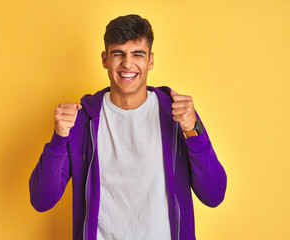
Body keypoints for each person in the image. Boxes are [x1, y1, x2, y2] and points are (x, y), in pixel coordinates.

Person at [29, 14, 227, 240]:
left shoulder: (176, 114)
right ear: (105, 59)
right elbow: (41, 200)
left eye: (137, 54)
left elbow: (214, 195)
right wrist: (59, 138)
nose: (127, 63)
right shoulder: (81, 120)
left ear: (150, 60)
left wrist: (194, 132)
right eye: (118, 54)